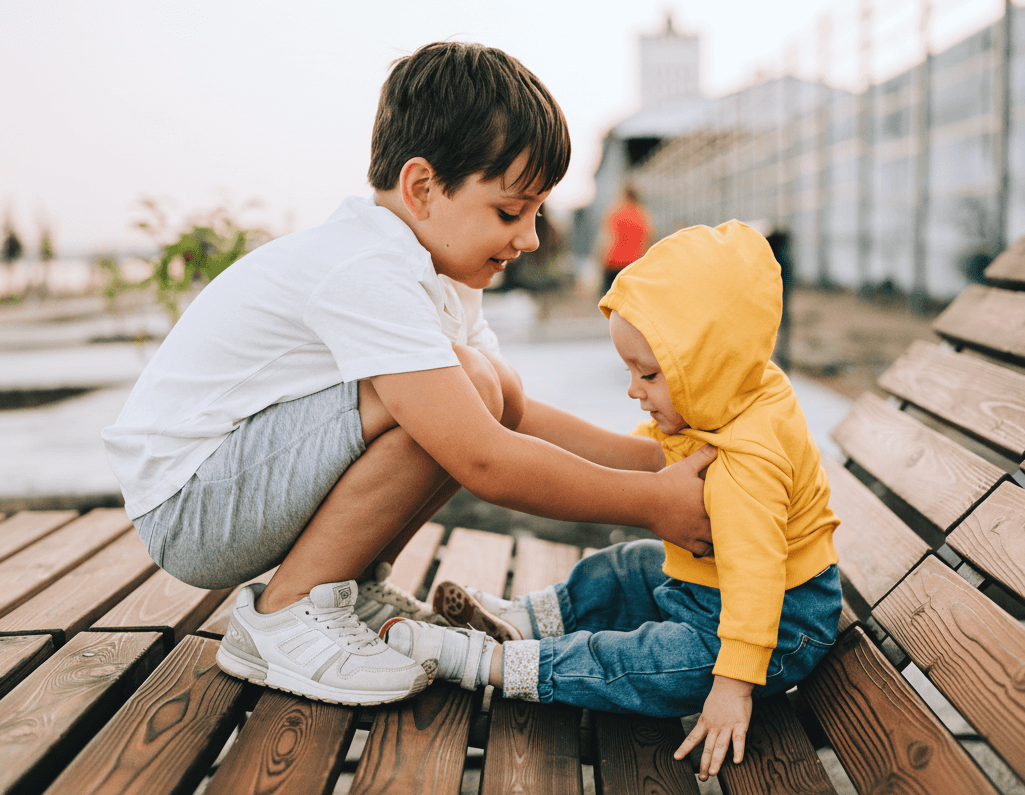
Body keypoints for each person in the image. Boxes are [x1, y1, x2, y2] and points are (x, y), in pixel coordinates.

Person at [102, 42, 717, 708]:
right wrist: (652, 504)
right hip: (192, 507)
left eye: (537, 213)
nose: (531, 238)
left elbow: (514, 411)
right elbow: (483, 458)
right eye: (510, 212)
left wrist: (662, 461)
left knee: (479, 386)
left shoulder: (435, 272)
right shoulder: (365, 267)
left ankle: (346, 590)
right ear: (422, 188)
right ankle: (284, 613)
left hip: (236, 487)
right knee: (463, 392)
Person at [382, 220, 842, 781]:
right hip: (714, 585)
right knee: (624, 569)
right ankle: (522, 619)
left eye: (648, 374)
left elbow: (757, 572)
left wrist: (732, 685)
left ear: (707, 366)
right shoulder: (731, 389)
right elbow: (647, 454)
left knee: (642, 662)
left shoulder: (751, 459)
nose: (633, 390)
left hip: (776, 626)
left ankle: (496, 662)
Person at [599, 185, 652, 295]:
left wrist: (602, 261)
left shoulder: (614, 213)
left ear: (624, 195)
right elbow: (649, 241)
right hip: (634, 266)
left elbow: (608, 240)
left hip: (613, 265)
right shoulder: (643, 216)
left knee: (611, 304)